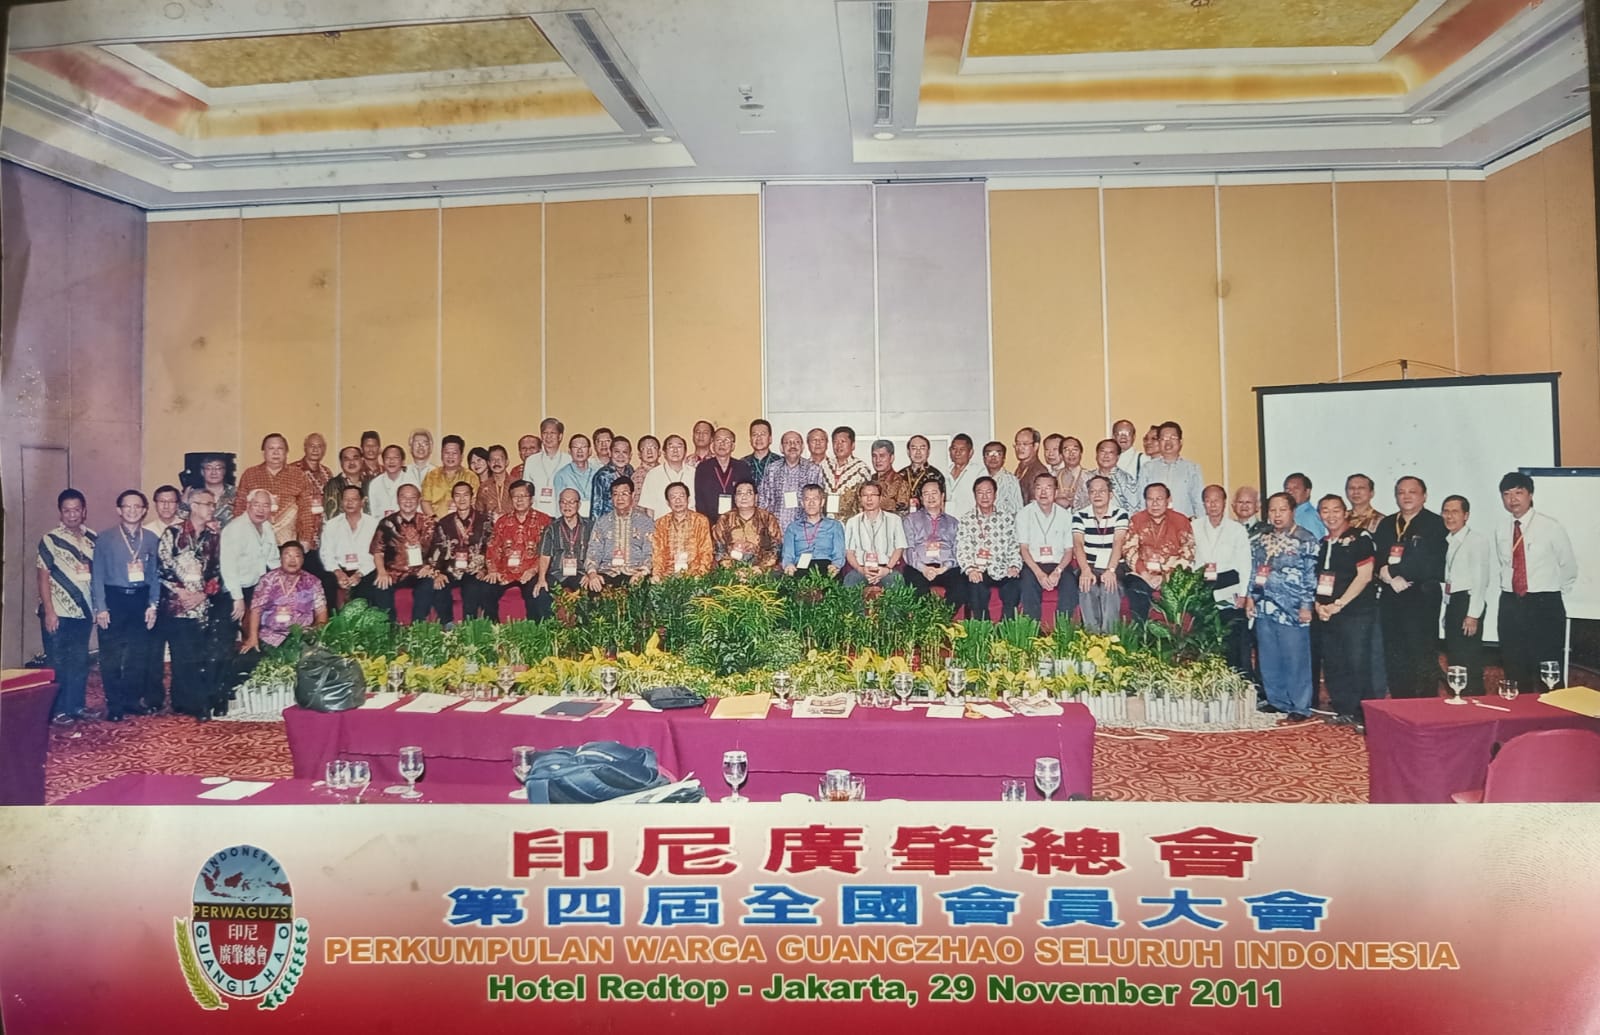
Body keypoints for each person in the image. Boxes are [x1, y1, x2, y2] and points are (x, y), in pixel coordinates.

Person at [1494, 471, 1579, 693]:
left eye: (1518, 492)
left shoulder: (1550, 526)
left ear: (1530, 495)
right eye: (1507, 494)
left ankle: (1552, 713)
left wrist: (1550, 592)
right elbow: (1505, 564)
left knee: (1548, 667)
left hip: (1544, 603)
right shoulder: (1501, 528)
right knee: (1514, 665)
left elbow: (1568, 566)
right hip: (1511, 603)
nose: (1512, 499)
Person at [1373, 476, 1447, 698]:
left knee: (1422, 653)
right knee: (1394, 653)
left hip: (1421, 597)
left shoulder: (1436, 524)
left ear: (1424, 496)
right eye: (1401, 492)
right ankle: (1400, 702)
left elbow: (1432, 561)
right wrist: (1387, 576)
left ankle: (1425, 706)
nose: (1405, 496)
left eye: (1412, 492)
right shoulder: (1387, 523)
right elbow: (1377, 556)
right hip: (1391, 595)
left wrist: (1395, 571)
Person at [1246, 492, 1318, 722]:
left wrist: (1306, 605)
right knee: (1269, 658)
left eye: (1282, 510)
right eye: (1273, 510)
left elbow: (1311, 577)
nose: (1277, 515)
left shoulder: (1305, 539)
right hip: (1265, 607)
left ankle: (1300, 705)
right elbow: (1255, 570)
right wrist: (1250, 597)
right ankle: (1277, 701)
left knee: (1295, 659)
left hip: (1293, 609)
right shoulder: (1261, 538)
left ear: (1292, 511)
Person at [1313, 495, 1383, 730]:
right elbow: (1317, 579)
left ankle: (1366, 715)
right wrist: (1319, 605)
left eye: (1336, 510)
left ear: (1345, 513)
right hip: (1328, 614)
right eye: (1325, 511)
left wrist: (1339, 604)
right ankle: (1345, 709)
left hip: (1355, 612)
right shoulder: (1323, 543)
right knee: (1335, 663)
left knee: (1358, 663)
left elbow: (1364, 576)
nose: (1330, 516)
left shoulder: (1360, 538)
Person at [91, 490, 160, 722]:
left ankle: (131, 700)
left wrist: (153, 604)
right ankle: (115, 705)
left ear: (144, 510)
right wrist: (101, 607)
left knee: (138, 654)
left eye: (137, 506)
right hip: (114, 598)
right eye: (127, 506)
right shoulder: (105, 538)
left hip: (140, 599)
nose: (132, 511)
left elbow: (155, 575)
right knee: (111, 655)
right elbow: (97, 575)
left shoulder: (151, 539)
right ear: (118, 510)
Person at [157, 491, 225, 721]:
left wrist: (203, 595)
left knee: (200, 654)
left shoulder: (212, 537)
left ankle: (193, 700)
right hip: (177, 603)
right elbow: (163, 566)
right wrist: (182, 592)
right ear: (193, 506)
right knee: (182, 653)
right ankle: (189, 703)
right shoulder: (173, 533)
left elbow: (216, 570)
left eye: (213, 505)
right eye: (208, 504)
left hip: (202, 604)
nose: (212, 509)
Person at [37, 489, 97, 725]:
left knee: (79, 661)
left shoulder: (93, 538)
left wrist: (96, 608)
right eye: (67, 510)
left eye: (76, 510)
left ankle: (77, 706)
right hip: (58, 612)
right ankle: (58, 710)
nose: (72, 515)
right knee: (58, 662)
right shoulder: (50, 539)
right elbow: (42, 577)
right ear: (60, 512)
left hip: (83, 612)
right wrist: (49, 611)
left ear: (84, 511)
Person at [239, 542, 329, 693]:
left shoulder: (313, 581)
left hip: (299, 637)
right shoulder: (268, 579)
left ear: (303, 559)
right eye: (288, 555)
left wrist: (314, 631)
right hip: (269, 636)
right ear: (280, 558)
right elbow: (256, 609)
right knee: (248, 664)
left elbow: (321, 612)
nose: (292, 560)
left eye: (297, 556)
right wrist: (252, 637)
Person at [1192, 484, 1251, 679]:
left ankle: (1237, 679)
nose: (1212, 505)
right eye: (1208, 501)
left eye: (1216, 500)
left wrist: (1243, 593)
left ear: (1224, 502)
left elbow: (1245, 563)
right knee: (1205, 633)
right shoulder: (1194, 526)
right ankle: (1210, 679)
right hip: (1203, 584)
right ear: (1203, 504)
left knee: (1231, 634)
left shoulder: (1236, 529)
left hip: (1228, 583)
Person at [1441, 494, 1492, 696]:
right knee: (1456, 658)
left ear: (1466, 515)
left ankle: (1475, 700)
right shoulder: (1450, 540)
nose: (1449, 516)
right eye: (1446, 511)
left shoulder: (1476, 540)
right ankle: (1460, 699)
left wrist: (1473, 615)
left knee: (1469, 659)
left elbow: (1481, 579)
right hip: (1454, 603)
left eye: (1455, 511)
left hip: (1468, 603)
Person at [1123, 483, 1196, 622]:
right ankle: (1141, 631)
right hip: (1142, 574)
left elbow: (1188, 552)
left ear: (1168, 500)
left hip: (1173, 575)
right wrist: (1145, 575)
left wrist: (1165, 577)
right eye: (1150, 499)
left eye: (1159, 499)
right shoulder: (1136, 520)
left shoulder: (1180, 520)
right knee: (1136, 589)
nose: (1155, 504)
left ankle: (1172, 634)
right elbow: (1129, 550)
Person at [368, 484, 441, 624]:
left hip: (420, 571)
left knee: (428, 584)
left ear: (418, 500)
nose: (408, 501)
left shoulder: (430, 523)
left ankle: (417, 626)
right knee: (380, 586)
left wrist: (430, 567)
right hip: (393, 572)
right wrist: (382, 572)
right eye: (404, 497)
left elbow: (439, 549)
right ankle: (390, 627)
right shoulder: (387, 523)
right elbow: (378, 551)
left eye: (412, 497)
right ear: (397, 499)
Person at [237, 432, 320, 546]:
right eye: (271, 448)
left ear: (286, 452)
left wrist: (305, 539)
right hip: (255, 539)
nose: (276, 452)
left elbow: (306, 510)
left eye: (280, 448)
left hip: (288, 541)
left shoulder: (298, 475)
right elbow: (240, 506)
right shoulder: (250, 474)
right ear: (264, 452)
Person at [958, 476, 1022, 621]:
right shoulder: (966, 520)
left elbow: (1014, 545)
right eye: (980, 492)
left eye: (988, 492)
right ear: (974, 495)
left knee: (1013, 588)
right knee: (976, 588)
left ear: (995, 494)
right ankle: (984, 629)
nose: (985, 496)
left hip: (1002, 567)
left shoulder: (1007, 518)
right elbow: (963, 548)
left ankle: (1005, 629)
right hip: (979, 568)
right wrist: (971, 569)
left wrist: (1014, 566)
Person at [484, 481, 551, 620]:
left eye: (523, 496)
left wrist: (534, 570)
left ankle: (534, 630)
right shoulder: (502, 521)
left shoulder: (545, 521)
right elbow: (493, 547)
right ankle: (493, 629)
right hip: (505, 572)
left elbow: (548, 551)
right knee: (486, 590)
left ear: (531, 499)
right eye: (515, 496)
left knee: (537, 593)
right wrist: (493, 570)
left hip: (530, 571)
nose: (519, 500)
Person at [1072, 475, 1130, 633]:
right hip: (1089, 564)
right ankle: (1092, 635)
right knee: (1086, 585)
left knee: (1109, 586)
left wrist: (1111, 570)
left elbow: (1118, 542)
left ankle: (1109, 636)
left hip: (1115, 564)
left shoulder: (1120, 514)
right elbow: (1078, 544)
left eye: (1102, 491)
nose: (1097, 495)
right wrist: (1085, 570)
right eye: (1093, 491)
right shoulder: (1079, 515)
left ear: (1110, 494)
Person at [1016, 473, 1075, 626]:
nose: (1043, 492)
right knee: (1028, 583)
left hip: (1059, 564)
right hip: (1033, 564)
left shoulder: (1066, 516)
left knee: (1070, 584)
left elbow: (1069, 551)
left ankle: (1062, 631)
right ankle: (1032, 631)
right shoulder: (1023, 514)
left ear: (1056, 492)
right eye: (1039, 488)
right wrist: (1039, 574)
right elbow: (1024, 549)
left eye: (1048, 488)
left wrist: (1058, 571)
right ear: (1034, 491)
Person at [432, 480, 493, 620]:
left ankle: (469, 626)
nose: (462, 499)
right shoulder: (444, 523)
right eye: (457, 495)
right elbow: (437, 550)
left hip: (474, 570)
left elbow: (491, 548)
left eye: (465, 495)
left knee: (472, 588)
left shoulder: (485, 521)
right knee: (439, 587)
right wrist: (437, 573)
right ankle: (447, 624)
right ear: (453, 499)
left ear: (472, 497)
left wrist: (485, 570)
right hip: (451, 570)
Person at [220, 488, 281, 623]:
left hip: (257, 586)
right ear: (248, 505)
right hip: (234, 589)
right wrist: (238, 598)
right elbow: (228, 566)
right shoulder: (235, 529)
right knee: (232, 629)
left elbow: (273, 559)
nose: (261, 510)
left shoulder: (267, 527)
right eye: (256, 505)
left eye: (266, 506)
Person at [583, 478, 654, 589]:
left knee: (645, 588)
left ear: (633, 495)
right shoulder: (602, 522)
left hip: (635, 572)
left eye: (624, 494)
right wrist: (592, 574)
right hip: (608, 572)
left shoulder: (645, 521)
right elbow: (594, 551)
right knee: (593, 586)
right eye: (615, 494)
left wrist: (642, 572)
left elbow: (650, 552)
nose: (620, 498)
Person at [319, 484, 380, 607]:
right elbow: (326, 553)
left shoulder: (374, 524)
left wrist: (359, 574)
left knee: (368, 588)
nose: (349, 503)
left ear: (362, 502)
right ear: (341, 502)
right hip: (339, 569)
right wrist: (338, 573)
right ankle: (331, 618)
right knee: (326, 583)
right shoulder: (331, 525)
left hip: (365, 570)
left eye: (354, 499)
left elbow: (376, 554)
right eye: (346, 499)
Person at [901, 481, 963, 601]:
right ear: (921, 498)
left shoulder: (953, 522)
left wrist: (943, 568)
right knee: (915, 586)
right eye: (926, 494)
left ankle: (944, 612)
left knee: (961, 586)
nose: (930, 497)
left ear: (942, 496)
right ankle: (927, 613)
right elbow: (908, 549)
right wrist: (923, 569)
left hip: (945, 567)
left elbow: (957, 551)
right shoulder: (910, 520)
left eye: (934, 493)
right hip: (919, 567)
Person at [843, 482, 906, 588]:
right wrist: (860, 569)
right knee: (850, 582)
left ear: (880, 498)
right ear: (860, 499)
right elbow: (849, 552)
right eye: (865, 495)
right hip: (862, 568)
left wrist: (887, 569)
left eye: (873, 495)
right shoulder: (852, 522)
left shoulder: (894, 520)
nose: (869, 499)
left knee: (896, 583)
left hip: (886, 567)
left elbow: (899, 548)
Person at [1136, 422, 1204, 519]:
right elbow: (1142, 501)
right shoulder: (1147, 468)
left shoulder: (1192, 468)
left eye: (1173, 438)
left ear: (1180, 442)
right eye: (1163, 438)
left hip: (1184, 523)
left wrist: (1200, 524)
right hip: (1155, 524)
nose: (1168, 442)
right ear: (1159, 442)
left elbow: (1199, 502)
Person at [759, 430, 823, 531]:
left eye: (796, 442)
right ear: (781, 448)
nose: (792, 445)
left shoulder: (813, 470)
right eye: (787, 442)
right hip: (775, 529)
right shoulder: (772, 469)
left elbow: (818, 504)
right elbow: (763, 501)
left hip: (804, 530)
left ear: (802, 447)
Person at [713, 480, 782, 572]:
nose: (744, 497)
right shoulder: (725, 519)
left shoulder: (767, 518)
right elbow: (719, 550)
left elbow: (776, 548)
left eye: (749, 493)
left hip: (762, 570)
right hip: (731, 571)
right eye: (740, 493)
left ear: (756, 497)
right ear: (735, 498)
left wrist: (760, 568)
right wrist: (732, 570)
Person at [536, 488, 593, 597]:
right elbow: (545, 556)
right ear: (559, 504)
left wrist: (590, 574)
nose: (567, 506)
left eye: (571, 502)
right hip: (556, 573)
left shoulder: (590, 526)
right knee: (541, 592)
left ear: (579, 504)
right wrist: (541, 579)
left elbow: (596, 553)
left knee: (590, 592)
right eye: (563, 502)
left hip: (581, 573)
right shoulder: (551, 528)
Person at [652, 482, 715, 579]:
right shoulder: (661, 523)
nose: (678, 500)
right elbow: (658, 553)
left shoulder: (700, 521)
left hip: (694, 575)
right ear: (668, 502)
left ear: (688, 499)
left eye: (681, 496)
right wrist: (657, 575)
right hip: (668, 576)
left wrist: (700, 574)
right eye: (673, 497)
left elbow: (705, 551)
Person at [781, 485, 846, 576]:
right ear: (802, 503)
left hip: (826, 564)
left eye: (815, 499)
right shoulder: (792, 528)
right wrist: (788, 565)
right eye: (807, 499)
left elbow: (839, 553)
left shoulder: (835, 525)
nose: (811, 503)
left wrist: (836, 565)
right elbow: (787, 554)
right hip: (800, 566)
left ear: (822, 502)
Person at [693, 427, 752, 523]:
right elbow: (699, 500)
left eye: (727, 440)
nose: (722, 444)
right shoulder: (703, 468)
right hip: (710, 522)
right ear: (713, 444)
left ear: (733, 446)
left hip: (738, 522)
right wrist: (706, 524)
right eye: (718, 440)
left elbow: (749, 497)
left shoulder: (742, 467)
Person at [640, 434, 695, 519]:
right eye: (671, 447)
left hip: (691, 525)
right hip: (661, 526)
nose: (675, 450)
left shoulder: (695, 473)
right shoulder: (653, 475)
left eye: (679, 446)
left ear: (685, 452)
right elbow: (649, 509)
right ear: (664, 452)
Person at [422, 435, 478, 518]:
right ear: (441, 455)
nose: (450, 456)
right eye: (447, 453)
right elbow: (425, 502)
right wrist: (436, 520)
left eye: (454, 453)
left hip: (463, 522)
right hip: (436, 521)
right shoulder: (431, 476)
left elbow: (474, 503)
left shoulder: (471, 477)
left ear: (461, 456)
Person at [524, 418, 570, 518]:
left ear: (560, 436)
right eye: (545, 433)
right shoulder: (531, 461)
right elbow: (526, 491)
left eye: (552, 433)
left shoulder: (569, 460)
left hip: (561, 516)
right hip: (536, 516)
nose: (548, 437)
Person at [821, 426, 870, 520]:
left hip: (850, 522)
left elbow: (864, 502)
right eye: (835, 442)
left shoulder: (861, 469)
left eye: (843, 441)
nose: (839, 445)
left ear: (853, 445)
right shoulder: (824, 466)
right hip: (826, 522)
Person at [365, 444, 421, 520]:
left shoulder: (412, 481)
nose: (391, 461)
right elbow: (374, 512)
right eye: (388, 458)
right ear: (383, 461)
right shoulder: (375, 483)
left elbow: (418, 508)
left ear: (403, 462)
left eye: (396, 458)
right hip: (382, 524)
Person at [182, 454, 236, 526]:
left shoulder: (237, 493)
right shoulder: (192, 493)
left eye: (218, 468)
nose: (214, 472)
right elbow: (181, 518)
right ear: (202, 472)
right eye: (208, 468)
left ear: (224, 471)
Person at [1089, 438, 1140, 514]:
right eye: (1102, 451)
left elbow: (1135, 509)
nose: (1106, 456)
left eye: (1111, 452)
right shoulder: (1088, 477)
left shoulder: (1127, 479)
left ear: (1117, 457)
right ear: (1096, 455)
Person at [590, 436, 635, 518]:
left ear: (630, 455)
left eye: (625, 452)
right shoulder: (602, 475)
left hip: (628, 519)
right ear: (610, 453)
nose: (620, 456)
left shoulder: (630, 470)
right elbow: (596, 508)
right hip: (608, 521)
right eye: (617, 452)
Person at [554, 435, 596, 518]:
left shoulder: (598, 472)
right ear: (569, 451)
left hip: (595, 519)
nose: (579, 451)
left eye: (583, 447)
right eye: (575, 447)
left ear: (590, 451)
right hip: (573, 519)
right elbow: (559, 505)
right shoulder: (561, 475)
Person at [900, 435, 945, 511]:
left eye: (922, 448)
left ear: (928, 452)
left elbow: (941, 505)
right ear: (908, 452)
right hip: (903, 517)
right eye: (914, 448)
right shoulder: (900, 475)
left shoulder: (936, 476)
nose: (918, 452)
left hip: (927, 517)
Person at [322, 446, 368, 519]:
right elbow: (331, 516)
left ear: (362, 460)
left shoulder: (370, 483)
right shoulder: (334, 484)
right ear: (341, 463)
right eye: (346, 459)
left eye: (355, 458)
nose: (351, 462)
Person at [867, 439, 911, 514]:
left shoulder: (901, 483)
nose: (878, 460)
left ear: (891, 458)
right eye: (874, 456)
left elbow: (902, 514)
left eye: (882, 456)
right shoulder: (869, 480)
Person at [945, 434, 982, 520]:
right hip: (947, 523)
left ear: (971, 452)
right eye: (954, 449)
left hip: (970, 522)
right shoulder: (944, 473)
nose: (957, 453)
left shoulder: (979, 472)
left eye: (962, 449)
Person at [981, 441, 1024, 514]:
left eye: (998, 454)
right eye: (988, 454)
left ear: (1004, 458)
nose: (993, 457)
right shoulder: (978, 478)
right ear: (984, 459)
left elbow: (1018, 510)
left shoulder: (1011, 481)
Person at [475, 444, 514, 521]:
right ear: (489, 463)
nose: (496, 463)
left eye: (500, 459)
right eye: (493, 460)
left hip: (513, 526)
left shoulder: (516, 484)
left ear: (507, 462)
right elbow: (479, 513)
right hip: (491, 527)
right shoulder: (483, 487)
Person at [1284, 473, 1327, 538]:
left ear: (1307, 492)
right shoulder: (1293, 514)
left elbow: (1316, 542)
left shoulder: (1309, 517)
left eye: (1296, 488)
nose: (1290, 492)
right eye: (1287, 489)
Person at [742, 419, 780, 489]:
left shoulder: (780, 462)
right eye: (755, 435)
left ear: (770, 439)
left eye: (763, 434)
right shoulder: (742, 463)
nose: (759, 438)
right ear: (750, 440)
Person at [1056, 437, 1092, 509]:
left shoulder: (1090, 478)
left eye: (1075, 450)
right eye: (1066, 450)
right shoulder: (1054, 476)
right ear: (1061, 455)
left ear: (1081, 453)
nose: (1071, 454)